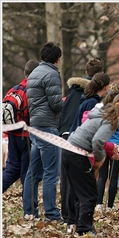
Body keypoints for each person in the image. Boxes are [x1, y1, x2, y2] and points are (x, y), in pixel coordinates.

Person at [63, 93, 119, 236]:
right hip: (78, 154)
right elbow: (97, 141)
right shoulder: (112, 121)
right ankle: (84, 228)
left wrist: (110, 151)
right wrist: (100, 158)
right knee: (90, 194)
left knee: (75, 191)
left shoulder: (102, 113)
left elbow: (96, 138)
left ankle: (71, 222)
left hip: (69, 148)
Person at [61, 72, 110, 225]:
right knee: (82, 189)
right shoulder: (92, 103)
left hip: (73, 144)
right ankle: (75, 220)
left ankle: (72, 218)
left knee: (73, 186)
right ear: (106, 87)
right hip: (80, 148)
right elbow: (94, 134)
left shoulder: (85, 98)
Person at [23, 42, 64, 222]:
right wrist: (67, 103)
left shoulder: (33, 74)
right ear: (57, 59)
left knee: (33, 172)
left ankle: (29, 211)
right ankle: (52, 214)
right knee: (50, 172)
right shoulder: (52, 73)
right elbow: (55, 104)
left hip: (35, 125)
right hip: (48, 127)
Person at [3, 60, 40, 194]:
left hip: (12, 134)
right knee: (27, 173)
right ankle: (29, 208)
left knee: (11, 170)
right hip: (27, 137)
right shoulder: (33, 91)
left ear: (25, 73)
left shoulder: (13, 90)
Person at [96, 85, 119, 213]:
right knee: (114, 176)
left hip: (105, 144)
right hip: (117, 146)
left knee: (102, 175)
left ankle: (98, 204)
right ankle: (110, 207)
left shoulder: (102, 110)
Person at [59, 57, 104, 139]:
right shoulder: (97, 94)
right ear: (101, 73)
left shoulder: (73, 89)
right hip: (81, 136)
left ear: (86, 73)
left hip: (65, 130)